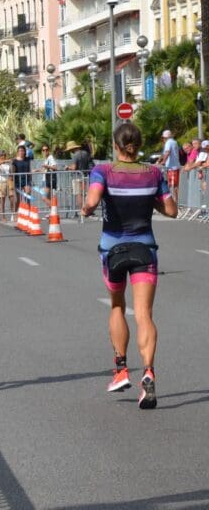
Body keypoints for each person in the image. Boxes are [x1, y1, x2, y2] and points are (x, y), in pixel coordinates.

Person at [81, 123, 177, 410]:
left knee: (117, 306)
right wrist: (150, 202)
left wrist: (86, 208)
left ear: (115, 146)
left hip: (113, 250)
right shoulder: (154, 173)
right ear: (138, 144)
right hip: (145, 249)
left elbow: (92, 200)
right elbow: (171, 210)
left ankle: (121, 369)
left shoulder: (103, 171)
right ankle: (148, 372)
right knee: (145, 314)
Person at [66, 140, 91, 215]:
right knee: (85, 194)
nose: (70, 151)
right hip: (85, 176)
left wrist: (68, 167)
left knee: (78, 194)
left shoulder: (75, 155)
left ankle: (82, 210)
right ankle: (88, 210)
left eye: (70, 150)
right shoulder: (86, 153)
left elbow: (74, 167)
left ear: (72, 149)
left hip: (77, 176)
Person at [157, 130, 182, 203]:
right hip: (172, 167)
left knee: (173, 186)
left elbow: (167, 152)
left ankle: (174, 203)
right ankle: (174, 202)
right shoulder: (174, 142)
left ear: (165, 137)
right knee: (172, 185)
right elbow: (164, 153)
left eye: (163, 138)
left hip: (172, 167)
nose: (163, 140)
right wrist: (159, 161)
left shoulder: (168, 142)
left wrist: (163, 161)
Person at [0, 150, 14, 220]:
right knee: (2, 200)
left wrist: (11, 181)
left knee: (12, 199)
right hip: (0, 182)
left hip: (8, 182)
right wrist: (4, 161)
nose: (3, 156)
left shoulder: (7, 164)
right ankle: (3, 217)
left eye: (4, 155)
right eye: (2, 155)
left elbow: (10, 173)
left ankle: (13, 215)